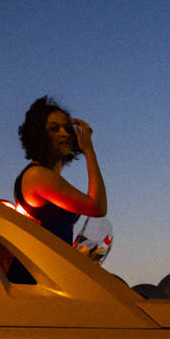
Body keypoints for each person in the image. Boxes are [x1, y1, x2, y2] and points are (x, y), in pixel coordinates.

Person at [14, 96, 107, 245]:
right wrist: (89, 150)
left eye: (68, 128)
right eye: (54, 129)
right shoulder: (37, 175)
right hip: (37, 268)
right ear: (39, 135)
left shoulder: (46, 175)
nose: (65, 134)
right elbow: (97, 207)